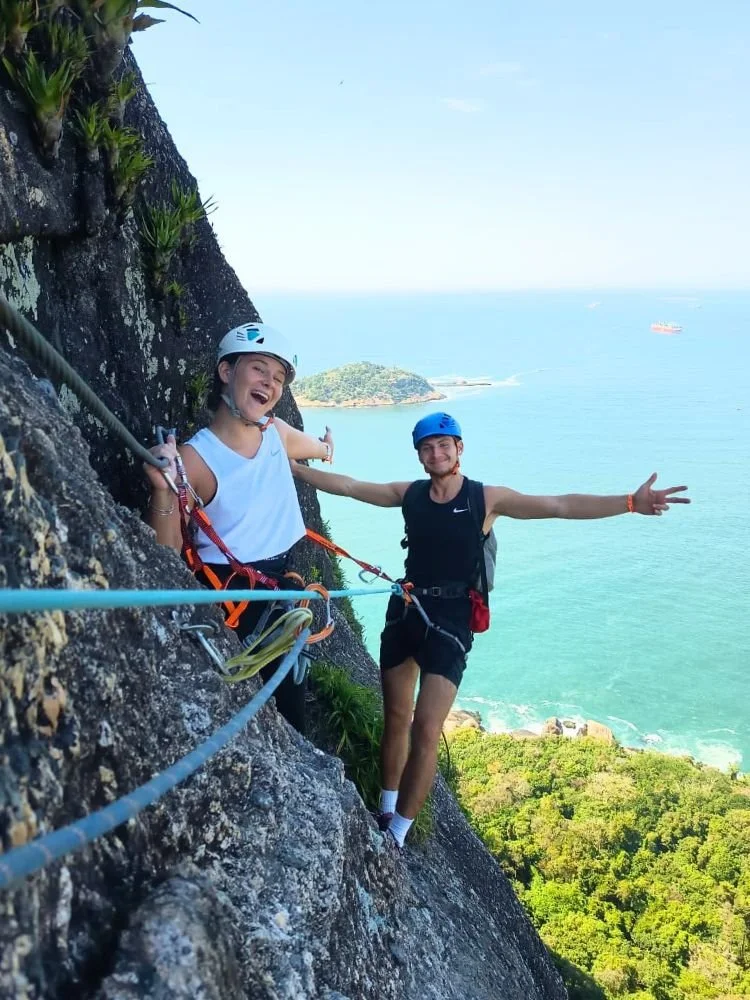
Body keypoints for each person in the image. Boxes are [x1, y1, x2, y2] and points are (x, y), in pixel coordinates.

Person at [291, 411, 690, 848]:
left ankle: (398, 836)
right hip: (406, 607)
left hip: (452, 621)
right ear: (420, 456)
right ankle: (384, 810)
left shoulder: (487, 499)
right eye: (428, 447)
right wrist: (291, 467)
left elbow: (559, 506)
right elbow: (349, 486)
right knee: (395, 718)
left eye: (445, 444)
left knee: (426, 728)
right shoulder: (411, 495)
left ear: (459, 449)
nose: (437, 452)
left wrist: (629, 503)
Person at [144, 321, 334, 733]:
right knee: (268, 718)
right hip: (235, 603)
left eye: (279, 378)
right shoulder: (196, 460)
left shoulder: (276, 434)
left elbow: (312, 447)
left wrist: (325, 447)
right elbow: (164, 554)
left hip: (281, 591)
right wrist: (163, 491)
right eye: (259, 369)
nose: (270, 383)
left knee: (290, 715)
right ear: (227, 372)